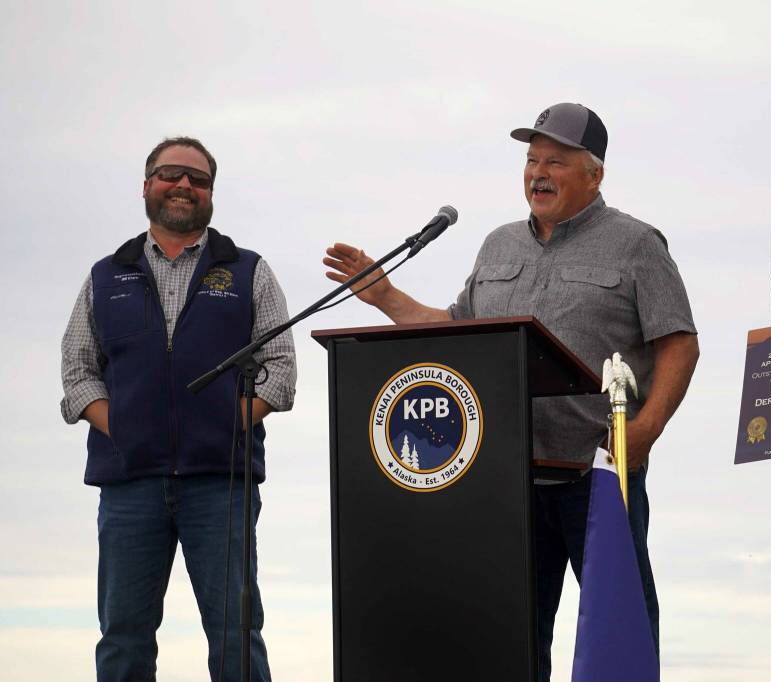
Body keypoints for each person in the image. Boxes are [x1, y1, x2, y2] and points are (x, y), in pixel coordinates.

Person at [323, 103, 699, 680]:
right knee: (512, 637)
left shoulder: (636, 244)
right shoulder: (498, 246)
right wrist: (386, 297)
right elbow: (461, 334)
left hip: (596, 474)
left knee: (622, 627)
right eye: (530, 160)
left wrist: (644, 430)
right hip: (504, 481)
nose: (537, 173)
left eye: (555, 161)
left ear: (595, 174)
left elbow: (679, 344)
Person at [60, 137, 297, 682]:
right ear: (147, 186)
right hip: (129, 485)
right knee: (123, 637)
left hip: (222, 484)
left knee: (236, 634)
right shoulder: (105, 276)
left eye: (199, 179)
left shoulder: (248, 271)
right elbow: (77, 371)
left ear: (212, 193)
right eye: (172, 174)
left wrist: (225, 421)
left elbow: (281, 369)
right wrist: (121, 426)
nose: (185, 186)